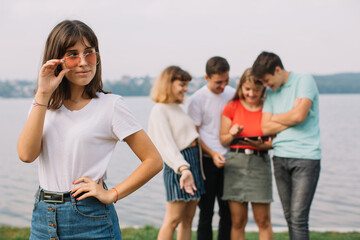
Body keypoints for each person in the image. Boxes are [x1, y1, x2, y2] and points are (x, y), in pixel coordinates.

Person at [17, 20, 163, 240]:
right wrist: (43, 94)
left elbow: (153, 160)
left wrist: (112, 194)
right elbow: (26, 155)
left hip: (90, 219)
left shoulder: (111, 105)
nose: (84, 62)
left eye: (89, 53)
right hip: (42, 217)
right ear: (58, 59)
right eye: (73, 54)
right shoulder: (42, 105)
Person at [251, 51, 321, 240]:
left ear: (278, 69)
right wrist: (291, 115)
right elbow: (265, 127)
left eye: (267, 80)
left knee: (298, 217)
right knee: (290, 216)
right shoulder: (272, 93)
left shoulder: (304, 81)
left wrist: (277, 118)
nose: (266, 86)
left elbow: (299, 116)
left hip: (305, 158)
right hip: (280, 156)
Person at [148, 66, 205, 240]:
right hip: (179, 167)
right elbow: (165, 145)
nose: (185, 89)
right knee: (173, 220)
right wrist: (182, 168)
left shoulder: (177, 108)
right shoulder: (159, 110)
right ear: (168, 84)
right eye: (182, 84)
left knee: (188, 219)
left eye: (187, 84)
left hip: (193, 164)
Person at [220, 68, 273, 240]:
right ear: (241, 87)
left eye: (256, 90)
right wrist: (233, 133)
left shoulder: (268, 107)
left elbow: (275, 140)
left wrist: (263, 145)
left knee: (263, 220)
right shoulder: (231, 107)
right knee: (237, 221)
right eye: (247, 89)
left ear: (263, 89)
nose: (251, 93)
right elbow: (223, 140)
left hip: (260, 163)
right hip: (236, 164)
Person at [187, 56, 234, 240]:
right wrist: (213, 154)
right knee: (206, 213)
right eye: (218, 83)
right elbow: (194, 135)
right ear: (207, 78)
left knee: (227, 213)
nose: (223, 86)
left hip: (230, 160)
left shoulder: (232, 93)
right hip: (207, 162)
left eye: (226, 81)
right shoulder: (197, 99)